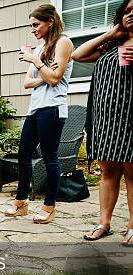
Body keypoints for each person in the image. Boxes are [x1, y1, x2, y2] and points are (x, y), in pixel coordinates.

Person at [6, 4, 74, 224]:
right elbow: (28, 83)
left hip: (53, 108)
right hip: (35, 109)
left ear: (50, 21)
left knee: (49, 157)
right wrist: (46, 71)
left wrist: (38, 64)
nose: (33, 29)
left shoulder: (63, 42)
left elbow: (56, 80)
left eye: (36, 24)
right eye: (31, 26)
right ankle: (21, 202)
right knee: (24, 154)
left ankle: (49, 206)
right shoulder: (38, 48)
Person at [73, 0, 133, 245]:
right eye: (127, 11)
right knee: (107, 171)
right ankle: (104, 223)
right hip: (106, 119)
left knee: (132, 172)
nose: (131, 15)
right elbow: (78, 54)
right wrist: (111, 33)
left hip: (130, 118)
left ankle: (132, 226)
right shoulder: (111, 45)